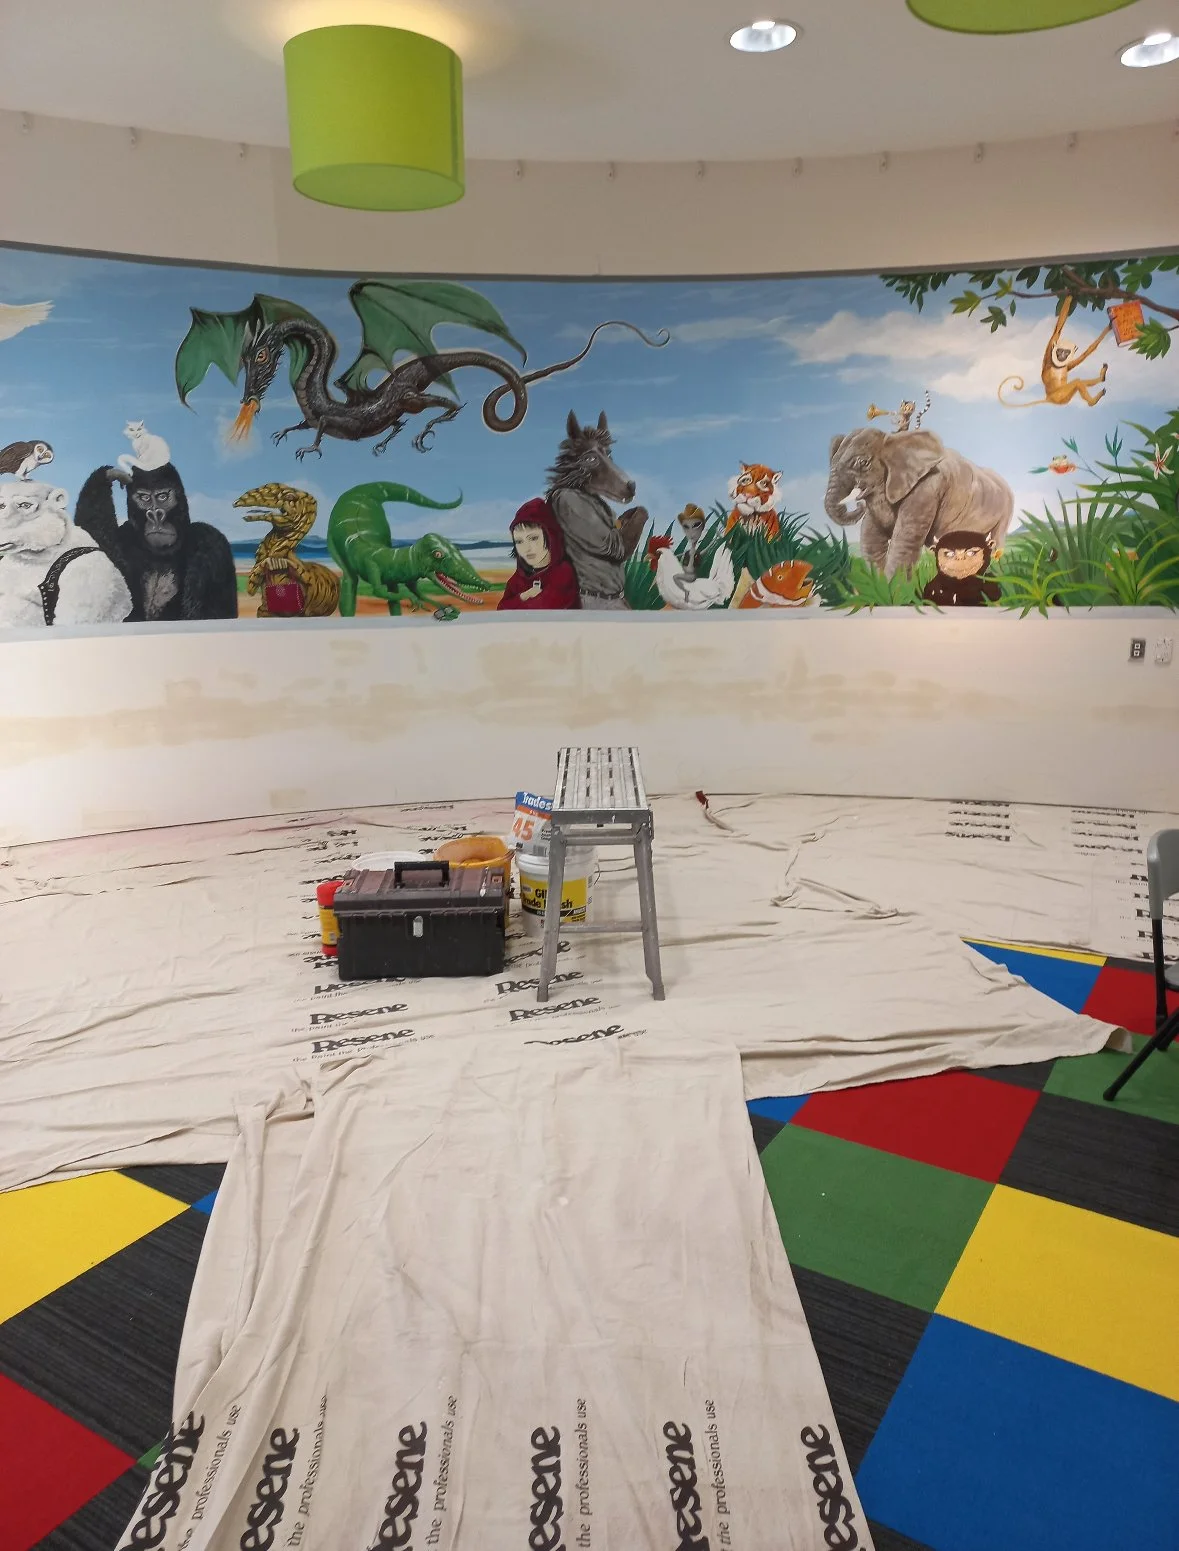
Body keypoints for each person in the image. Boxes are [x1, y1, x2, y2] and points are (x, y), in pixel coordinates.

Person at [497, 498, 581, 611]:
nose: (526, 548)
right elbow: (501, 609)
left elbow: (544, 607)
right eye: (519, 541)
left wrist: (516, 602)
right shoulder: (518, 579)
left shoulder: (564, 572)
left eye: (533, 538)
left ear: (550, 536)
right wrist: (523, 596)